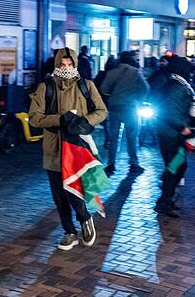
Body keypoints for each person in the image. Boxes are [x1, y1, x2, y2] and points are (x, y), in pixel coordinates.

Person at [29, 47, 107, 250]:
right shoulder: (46, 87)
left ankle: (84, 219)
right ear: (57, 64)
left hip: (78, 147)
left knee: (76, 190)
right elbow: (35, 118)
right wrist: (60, 120)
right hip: (54, 147)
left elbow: (101, 111)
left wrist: (84, 122)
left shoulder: (86, 86)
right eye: (62, 65)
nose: (66, 68)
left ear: (75, 64)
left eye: (69, 64)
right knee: (59, 194)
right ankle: (69, 231)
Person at [152, 61, 195, 217]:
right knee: (175, 167)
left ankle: (166, 198)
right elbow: (170, 112)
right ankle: (164, 201)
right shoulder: (177, 88)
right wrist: (182, 127)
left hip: (169, 132)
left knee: (177, 167)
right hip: (172, 134)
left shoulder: (174, 85)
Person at [99, 51, 149, 176]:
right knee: (132, 137)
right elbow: (146, 88)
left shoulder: (111, 72)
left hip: (114, 107)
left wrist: (113, 95)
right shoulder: (136, 72)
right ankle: (133, 164)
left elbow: (103, 89)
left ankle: (111, 164)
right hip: (131, 108)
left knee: (114, 137)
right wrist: (139, 99)